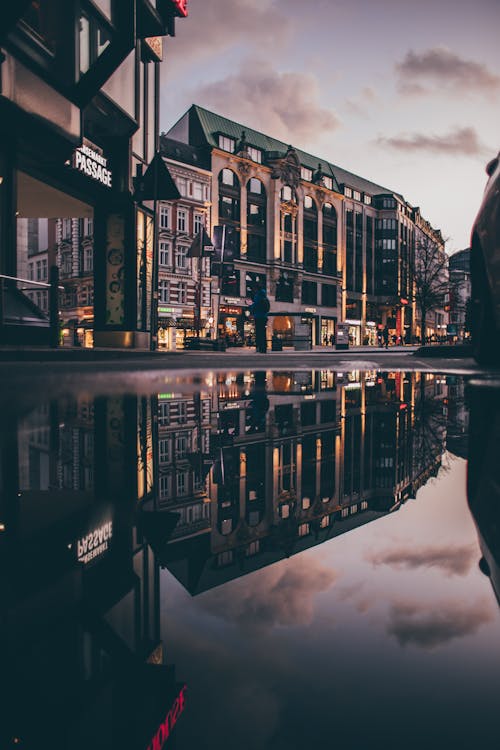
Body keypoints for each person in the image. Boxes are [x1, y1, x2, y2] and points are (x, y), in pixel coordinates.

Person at [250, 287, 270, 353]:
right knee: (263, 333)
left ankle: (259, 347)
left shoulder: (257, 297)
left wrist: (252, 310)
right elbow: (268, 308)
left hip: (258, 317)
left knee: (258, 333)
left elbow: (254, 306)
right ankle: (264, 348)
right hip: (264, 317)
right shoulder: (265, 298)